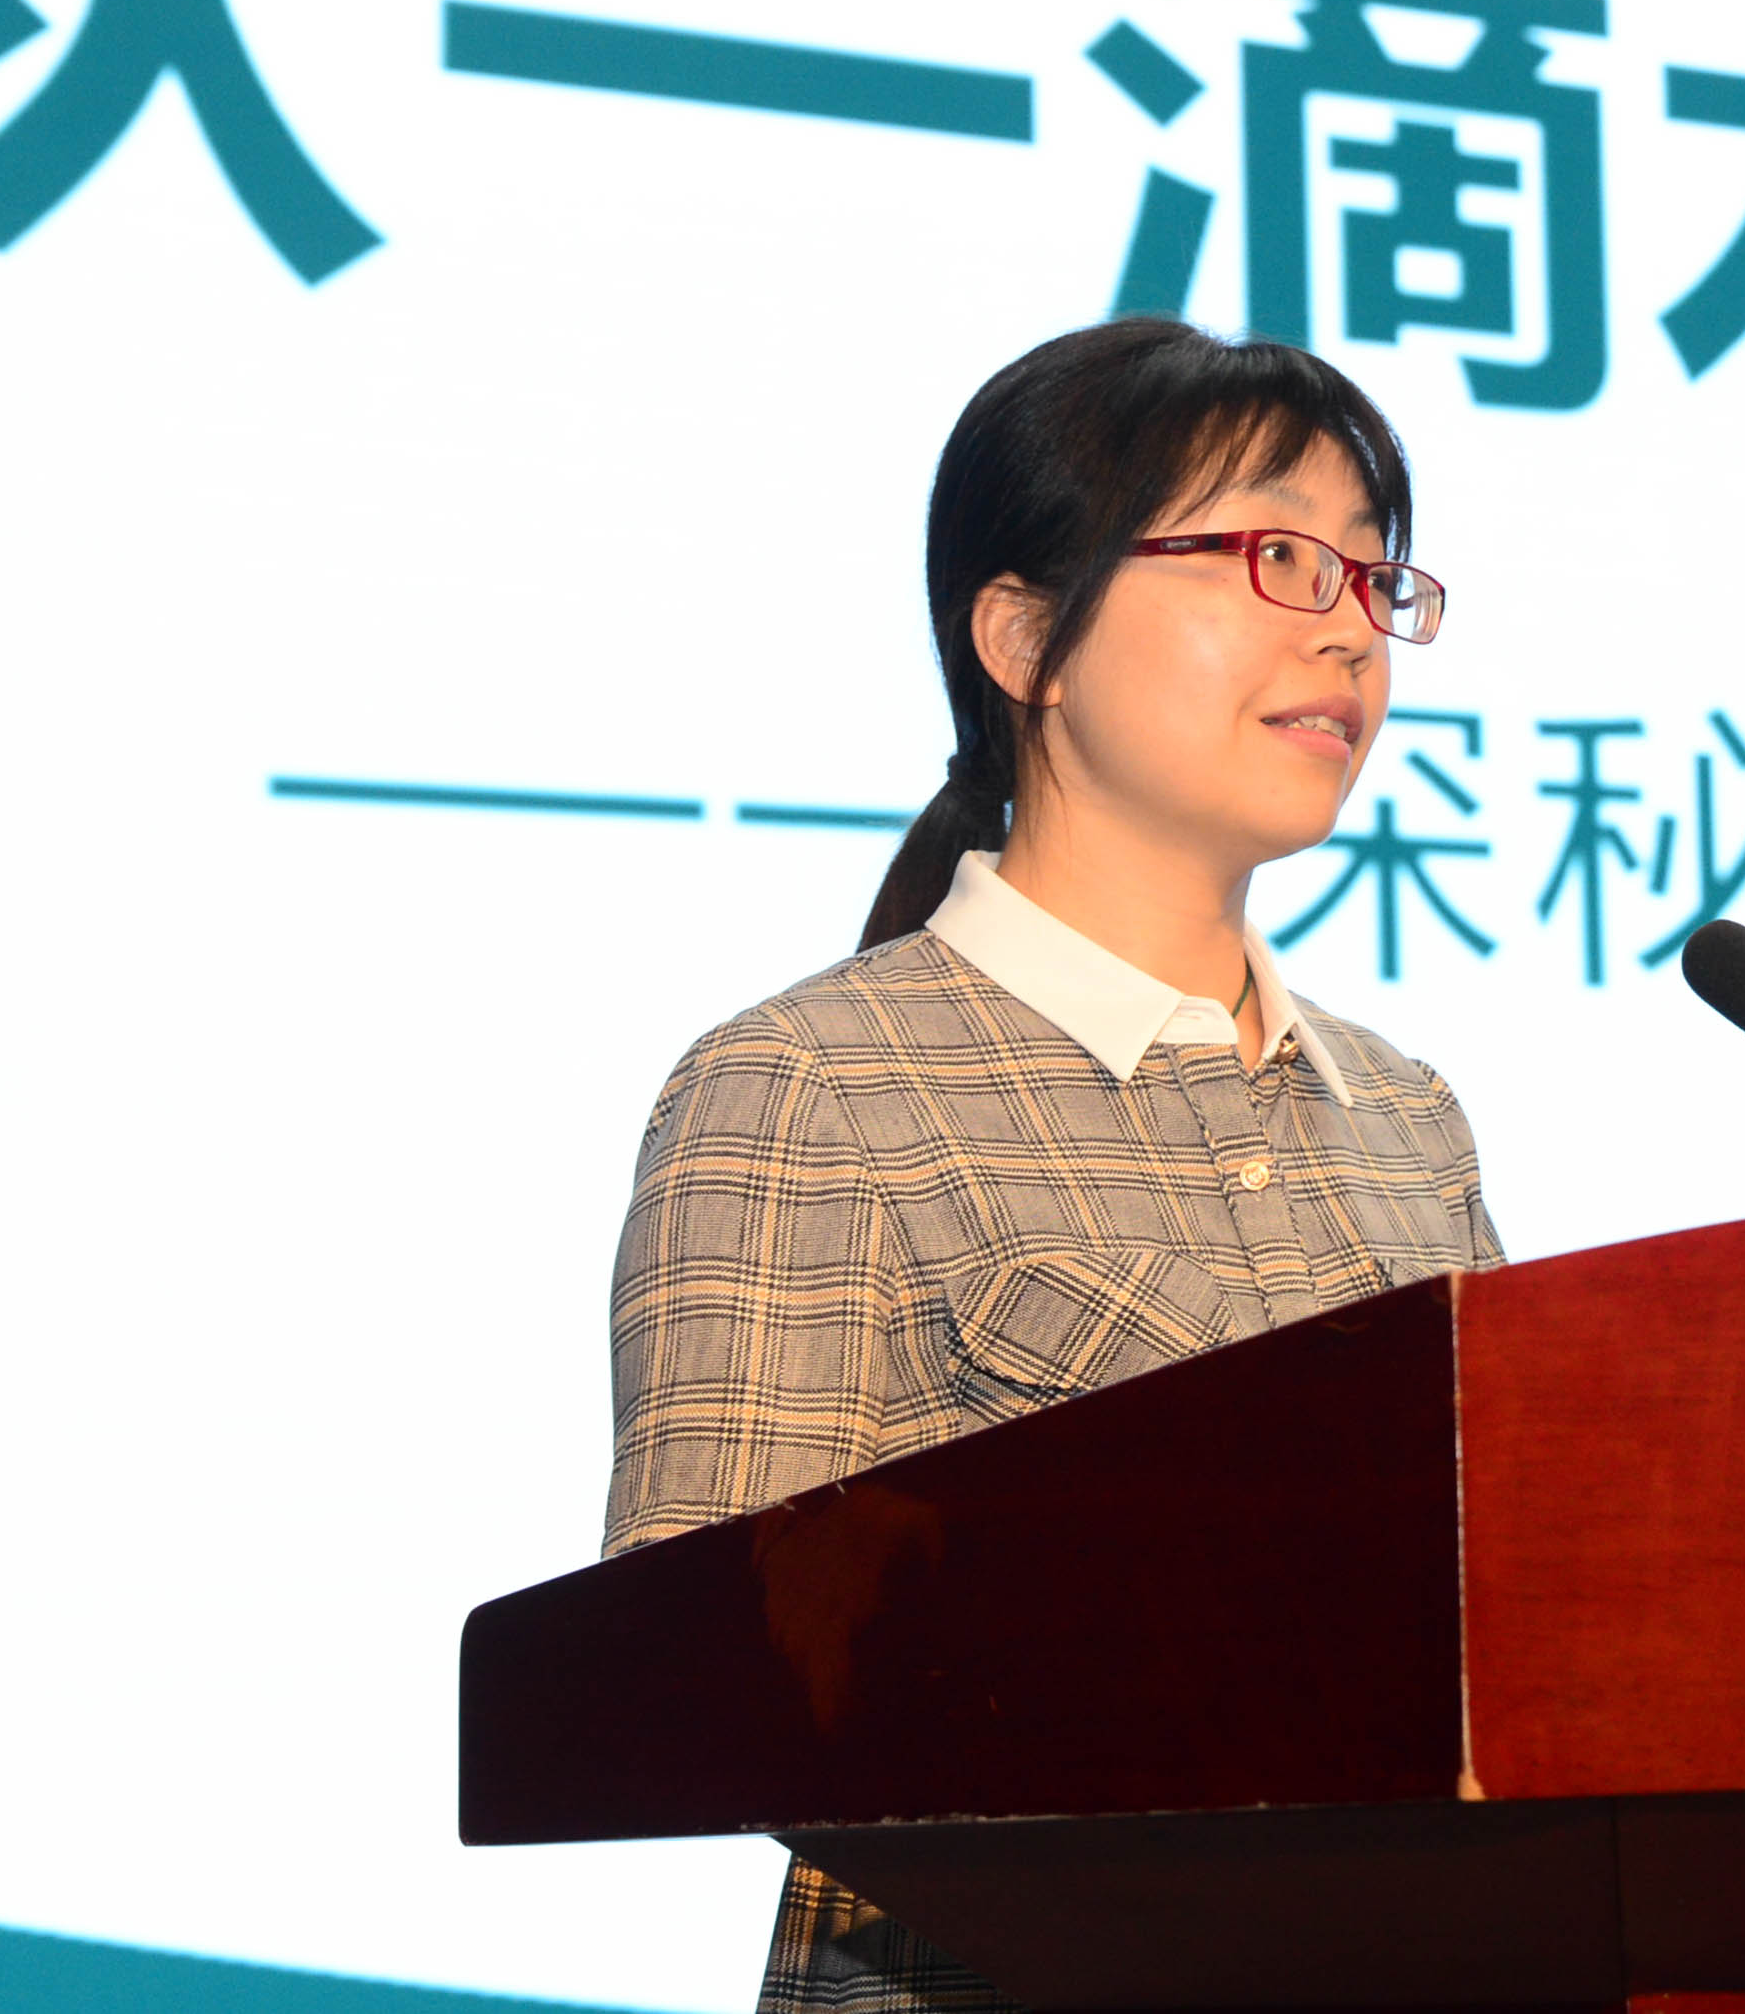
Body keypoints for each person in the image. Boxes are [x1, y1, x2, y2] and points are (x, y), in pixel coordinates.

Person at [598, 318, 1502, 2013]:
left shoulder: (1407, 1118)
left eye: (1372, 576)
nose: (1345, 629)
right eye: (1276, 556)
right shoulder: (809, 1087)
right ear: (1026, 637)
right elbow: (691, 1676)